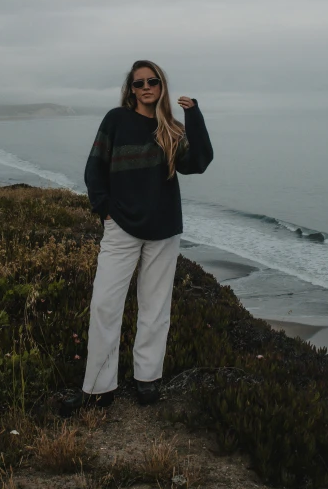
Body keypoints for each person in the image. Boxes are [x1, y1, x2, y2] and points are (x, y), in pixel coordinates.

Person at [60, 59, 213, 416]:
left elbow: (201, 161)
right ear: (131, 89)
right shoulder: (116, 120)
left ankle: (147, 379)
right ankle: (99, 388)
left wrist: (195, 117)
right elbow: (94, 167)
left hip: (163, 229)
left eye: (152, 81)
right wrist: (104, 209)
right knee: (104, 305)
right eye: (138, 83)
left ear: (162, 86)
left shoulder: (171, 128)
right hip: (121, 227)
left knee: (155, 307)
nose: (146, 87)